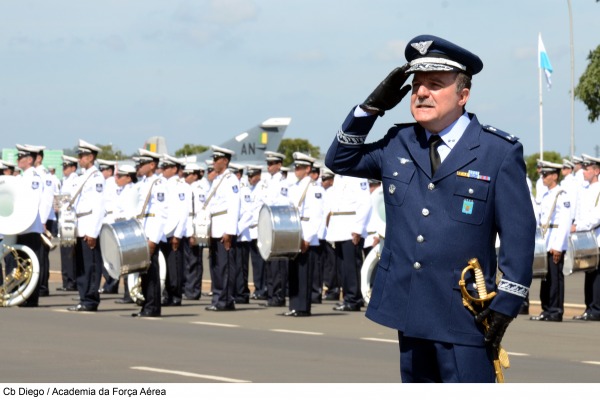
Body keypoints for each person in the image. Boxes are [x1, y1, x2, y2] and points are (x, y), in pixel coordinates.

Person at [325, 34, 535, 383]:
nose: (421, 93)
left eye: (435, 85)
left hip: (465, 312)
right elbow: (340, 159)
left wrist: (507, 303)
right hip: (409, 307)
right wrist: (370, 107)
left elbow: (519, 233)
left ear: (463, 95)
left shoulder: (498, 151)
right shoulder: (399, 142)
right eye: (416, 86)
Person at [282, 152, 324, 317]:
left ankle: (303, 307)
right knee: (293, 272)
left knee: (304, 273)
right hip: (294, 233)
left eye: (299, 167)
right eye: (295, 167)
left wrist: (307, 238)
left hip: (306, 235)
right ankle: (294, 305)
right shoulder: (295, 187)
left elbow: (316, 215)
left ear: (308, 169)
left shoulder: (314, 188)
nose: (296, 170)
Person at [530, 161, 571, 322]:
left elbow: (565, 222)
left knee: (555, 279)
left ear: (554, 176)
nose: (543, 177)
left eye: (546, 175)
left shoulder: (562, 194)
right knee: (546, 278)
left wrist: (558, 246)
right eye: (542, 174)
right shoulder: (546, 195)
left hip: (555, 241)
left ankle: (555, 310)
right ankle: (546, 309)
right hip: (545, 240)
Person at [68, 140, 106, 312]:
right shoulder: (81, 176)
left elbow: (98, 207)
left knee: (91, 265)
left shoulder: (96, 177)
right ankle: (84, 297)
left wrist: (92, 232)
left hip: (88, 225)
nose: (79, 158)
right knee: (82, 265)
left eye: (82, 155)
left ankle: (90, 299)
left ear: (90, 157)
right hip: (79, 224)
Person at [326, 173, 371, 312]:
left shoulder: (358, 177)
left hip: (351, 227)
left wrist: (358, 229)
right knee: (343, 267)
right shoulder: (338, 179)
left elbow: (365, 204)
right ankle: (347, 297)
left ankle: (354, 298)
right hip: (339, 228)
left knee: (352, 267)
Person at [131, 148, 168, 317]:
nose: (140, 166)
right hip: (142, 231)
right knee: (144, 271)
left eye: (143, 163)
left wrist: (153, 239)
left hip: (151, 231)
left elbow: (161, 213)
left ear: (152, 165)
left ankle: (153, 306)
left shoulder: (159, 184)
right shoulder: (145, 183)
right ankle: (146, 304)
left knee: (152, 271)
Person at [205, 146, 241, 311]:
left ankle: (225, 300)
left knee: (225, 267)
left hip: (224, 229)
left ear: (225, 161)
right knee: (216, 267)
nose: (213, 162)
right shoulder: (217, 180)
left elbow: (234, 207)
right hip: (215, 228)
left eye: (216, 159)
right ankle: (218, 297)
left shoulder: (231, 180)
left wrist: (229, 232)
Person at [12, 145, 45, 307]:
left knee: (31, 263)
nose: (18, 160)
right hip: (22, 226)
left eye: (21, 157)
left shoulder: (33, 177)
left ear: (30, 159)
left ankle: (31, 298)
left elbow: (33, 201)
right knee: (23, 263)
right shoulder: (23, 177)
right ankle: (24, 295)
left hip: (30, 227)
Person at [259, 151, 290, 307]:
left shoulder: (283, 183)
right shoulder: (266, 181)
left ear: (279, 165)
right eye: (268, 164)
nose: (269, 167)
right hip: (267, 225)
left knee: (278, 263)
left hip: (277, 225)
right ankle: (271, 294)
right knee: (269, 261)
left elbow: (282, 204)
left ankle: (278, 295)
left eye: (272, 164)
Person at [572, 154, 600, 321]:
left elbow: (596, 217)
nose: (583, 171)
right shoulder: (585, 189)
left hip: (597, 238)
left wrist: (579, 226)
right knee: (588, 272)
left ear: (596, 171)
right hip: (586, 238)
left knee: (596, 275)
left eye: (587, 169)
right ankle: (589, 307)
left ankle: (596, 309)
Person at [159, 154, 189, 307]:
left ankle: (176, 296)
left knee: (175, 266)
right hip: (163, 232)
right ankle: (167, 295)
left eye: (166, 167)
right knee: (165, 267)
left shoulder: (181, 186)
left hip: (174, 233)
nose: (163, 170)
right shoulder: (163, 184)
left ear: (174, 169)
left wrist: (177, 235)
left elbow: (183, 212)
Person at [56, 155, 79, 292]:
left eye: (66, 167)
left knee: (70, 252)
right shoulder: (64, 180)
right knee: (64, 251)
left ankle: (71, 281)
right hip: (63, 219)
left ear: (73, 168)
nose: (64, 169)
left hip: (71, 220)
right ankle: (66, 281)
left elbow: (72, 200)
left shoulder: (76, 180)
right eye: (63, 167)